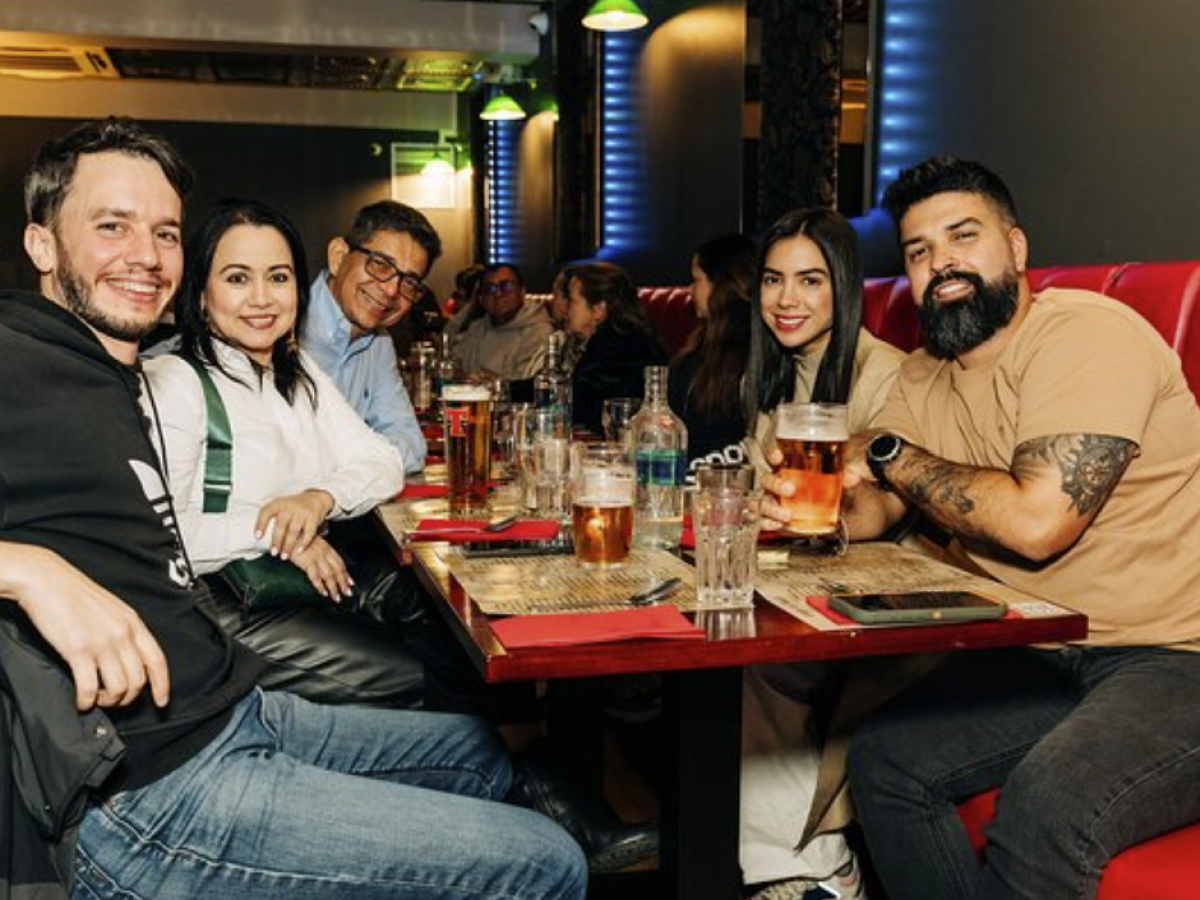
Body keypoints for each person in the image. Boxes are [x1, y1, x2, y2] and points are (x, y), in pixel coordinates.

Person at [0, 116, 586, 900]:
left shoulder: (123, 369)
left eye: (165, 233)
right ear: (42, 245)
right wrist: (27, 572)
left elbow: (379, 456)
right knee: (548, 863)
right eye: (111, 226)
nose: (145, 255)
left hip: (228, 706)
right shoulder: (21, 353)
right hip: (147, 791)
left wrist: (307, 504)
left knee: (478, 751)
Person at [830, 155, 1200, 900]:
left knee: (1047, 809)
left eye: (963, 236)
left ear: (1018, 247)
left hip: (1176, 655)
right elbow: (876, 511)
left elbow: (1037, 523)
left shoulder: (1088, 335)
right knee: (886, 762)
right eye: (919, 251)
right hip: (1044, 650)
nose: (942, 264)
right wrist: (815, 498)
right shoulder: (923, 373)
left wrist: (883, 452)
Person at [144, 198, 433, 708]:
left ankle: (477, 764)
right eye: (237, 278)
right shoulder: (176, 381)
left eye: (277, 278)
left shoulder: (295, 373)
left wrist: (318, 500)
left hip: (286, 582)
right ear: (203, 293)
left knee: (426, 609)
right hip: (218, 601)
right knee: (401, 673)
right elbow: (160, 535)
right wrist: (281, 534)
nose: (261, 298)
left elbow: (385, 461)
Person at [738, 208, 907, 900]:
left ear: (844, 286)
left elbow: (881, 509)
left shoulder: (885, 372)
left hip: (881, 593)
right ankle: (775, 860)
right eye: (774, 279)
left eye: (810, 280)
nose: (786, 299)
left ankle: (809, 870)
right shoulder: (776, 379)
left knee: (755, 651)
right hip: (798, 577)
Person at [301, 200, 437, 474]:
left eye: (409, 282)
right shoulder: (282, 323)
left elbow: (410, 443)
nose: (391, 291)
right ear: (338, 256)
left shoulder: (379, 342)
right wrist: (369, 458)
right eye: (381, 265)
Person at [668, 233, 757, 471]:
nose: (689, 291)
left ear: (720, 284)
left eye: (696, 280)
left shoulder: (753, 351)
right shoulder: (707, 342)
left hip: (713, 488)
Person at [562, 260, 667, 433]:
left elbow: (578, 408)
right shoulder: (620, 339)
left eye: (572, 301)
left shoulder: (617, 349)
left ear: (598, 310)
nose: (566, 309)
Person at [453, 262, 555, 379]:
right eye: (490, 288)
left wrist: (479, 379)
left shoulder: (539, 332)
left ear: (522, 293)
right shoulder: (477, 328)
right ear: (481, 299)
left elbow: (523, 385)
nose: (498, 293)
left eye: (506, 286)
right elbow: (454, 364)